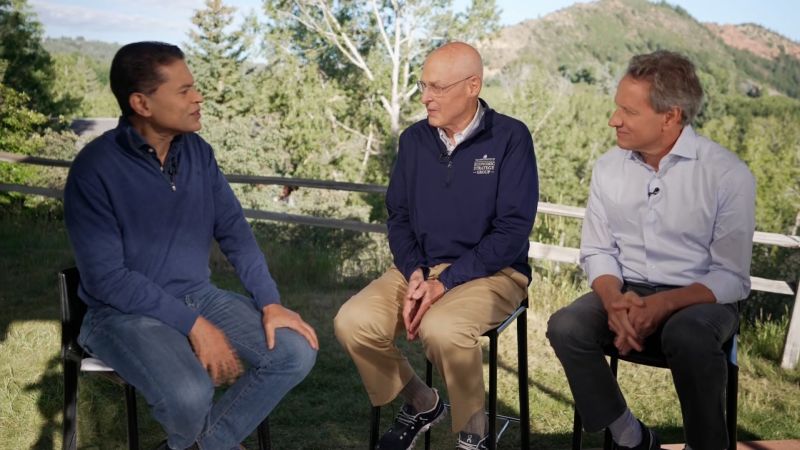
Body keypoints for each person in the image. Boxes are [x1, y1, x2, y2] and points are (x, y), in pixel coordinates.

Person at [64, 41, 318, 450]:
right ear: (142, 103)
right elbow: (107, 280)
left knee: (294, 351)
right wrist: (194, 325)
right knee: (190, 394)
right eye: (184, 90)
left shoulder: (198, 153)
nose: (198, 97)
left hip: (198, 295)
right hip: (121, 314)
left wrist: (270, 302)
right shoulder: (95, 169)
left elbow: (235, 232)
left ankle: (202, 446)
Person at [334, 42, 538, 450]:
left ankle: (474, 434)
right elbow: (399, 216)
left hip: (492, 273)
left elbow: (512, 229)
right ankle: (422, 402)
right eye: (423, 86)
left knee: (442, 329)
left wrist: (445, 283)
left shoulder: (510, 137)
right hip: (420, 268)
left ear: (472, 87)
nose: (426, 97)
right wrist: (414, 272)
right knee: (352, 321)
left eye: (437, 88)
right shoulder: (414, 140)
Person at [547, 50, 756, 450]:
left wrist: (662, 305)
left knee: (688, 335)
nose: (614, 120)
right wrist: (613, 301)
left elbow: (731, 277)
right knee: (566, 326)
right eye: (616, 108)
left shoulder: (728, 174)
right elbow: (598, 250)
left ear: (670, 116)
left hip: (701, 299)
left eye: (628, 111)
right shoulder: (608, 168)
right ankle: (631, 437)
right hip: (626, 290)